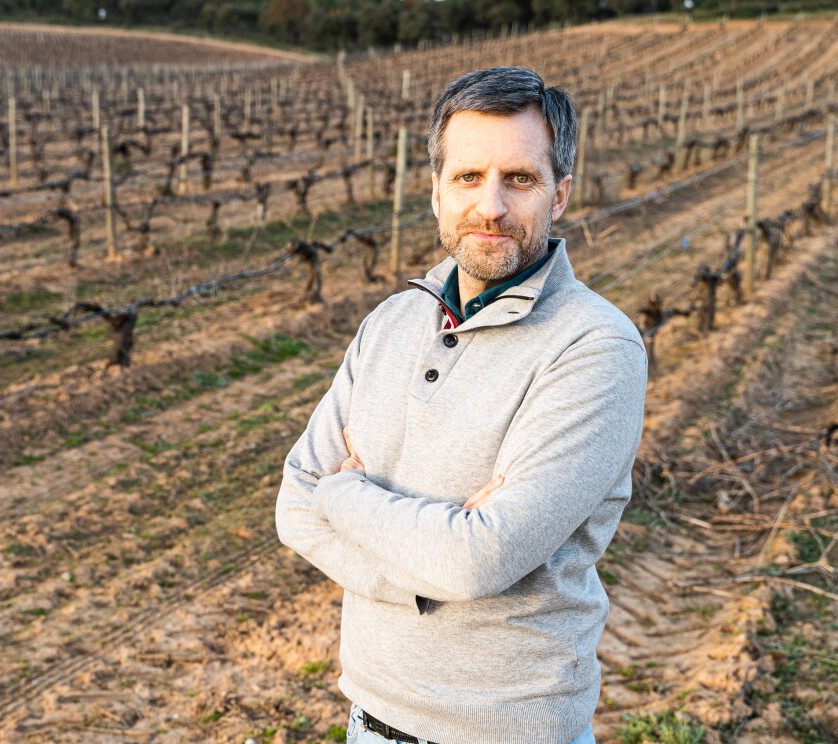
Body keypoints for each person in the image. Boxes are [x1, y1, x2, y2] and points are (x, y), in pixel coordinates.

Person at [273, 66, 648, 744]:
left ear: (559, 194)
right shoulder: (392, 321)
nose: (491, 206)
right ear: (437, 191)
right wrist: (429, 559)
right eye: (468, 178)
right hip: (368, 715)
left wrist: (348, 495)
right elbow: (296, 507)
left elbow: (475, 562)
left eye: (520, 179)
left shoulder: (596, 347)